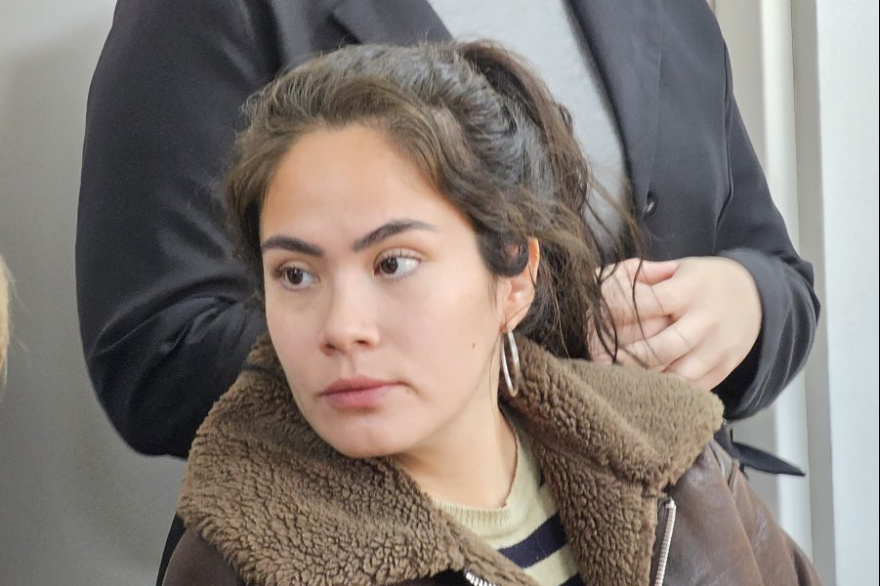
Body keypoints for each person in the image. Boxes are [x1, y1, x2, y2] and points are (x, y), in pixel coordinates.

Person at [75, 0, 819, 580]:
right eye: (296, 275)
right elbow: (156, 347)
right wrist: (468, 359)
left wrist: (748, 301)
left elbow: (777, 270)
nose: (345, 322)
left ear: (519, 269)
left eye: (393, 263)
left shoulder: (686, 479)